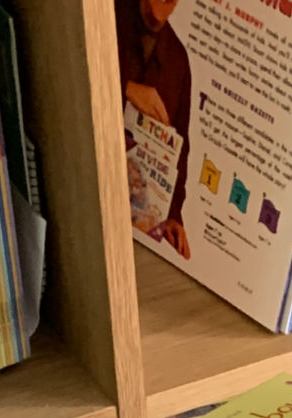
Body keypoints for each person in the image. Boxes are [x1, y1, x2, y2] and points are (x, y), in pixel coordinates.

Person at [114, 0, 192, 258]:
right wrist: (127, 89)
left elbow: (182, 146)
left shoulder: (178, 61)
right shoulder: (110, 14)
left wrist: (173, 216)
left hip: (136, 222)